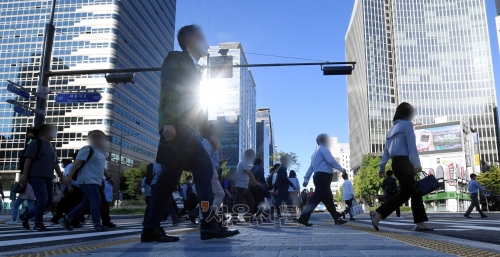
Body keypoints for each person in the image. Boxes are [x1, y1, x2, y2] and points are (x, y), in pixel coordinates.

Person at [142, 24, 238, 242]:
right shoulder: (176, 58)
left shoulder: (196, 69)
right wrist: (168, 122)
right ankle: (209, 225)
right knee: (200, 169)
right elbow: (169, 88)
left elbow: (196, 105)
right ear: (189, 41)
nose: (205, 42)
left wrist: (207, 132)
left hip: (187, 130)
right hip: (179, 128)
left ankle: (151, 228)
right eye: (201, 38)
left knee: (169, 179)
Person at [372, 102, 432, 231]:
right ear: (407, 114)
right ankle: (379, 213)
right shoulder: (407, 125)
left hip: (395, 163)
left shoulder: (390, 130)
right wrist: (416, 163)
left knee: (415, 191)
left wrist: (381, 168)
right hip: (405, 162)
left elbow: (386, 152)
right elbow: (411, 146)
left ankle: (420, 223)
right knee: (405, 193)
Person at [61, 130, 114, 232]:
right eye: (101, 138)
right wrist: (69, 176)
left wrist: (109, 178)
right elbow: (76, 163)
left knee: (86, 203)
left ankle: (67, 219)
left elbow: (102, 168)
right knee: (96, 200)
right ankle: (97, 224)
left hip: (96, 181)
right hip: (87, 180)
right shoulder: (87, 149)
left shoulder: (100, 153)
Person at [19, 124, 63, 231]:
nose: (55, 132)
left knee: (48, 201)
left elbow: (56, 163)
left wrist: (61, 176)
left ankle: (26, 216)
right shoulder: (36, 143)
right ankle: (38, 224)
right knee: (42, 199)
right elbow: (28, 159)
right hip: (36, 176)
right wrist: (24, 175)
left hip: (48, 177)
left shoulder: (52, 147)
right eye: (53, 130)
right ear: (46, 132)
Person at [298, 134, 347, 226]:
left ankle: (337, 218)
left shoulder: (315, 153)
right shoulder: (323, 149)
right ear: (324, 141)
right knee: (316, 198)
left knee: (328, 199)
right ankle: (303, 218)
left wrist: (306, 179)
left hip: (319, 176)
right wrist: (342, 170)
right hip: (324, 177)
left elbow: (311, 167)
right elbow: (331, 160)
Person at [233, 149, 260, 218]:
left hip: (244, 186)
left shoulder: (243, 163)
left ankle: (247, 217)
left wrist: (234, 184)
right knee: (238, 203)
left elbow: (237, 175)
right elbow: (249, 173)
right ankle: (234, 218)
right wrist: (256, 182)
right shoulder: (243, 163)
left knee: (251, 201)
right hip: (242, 186)